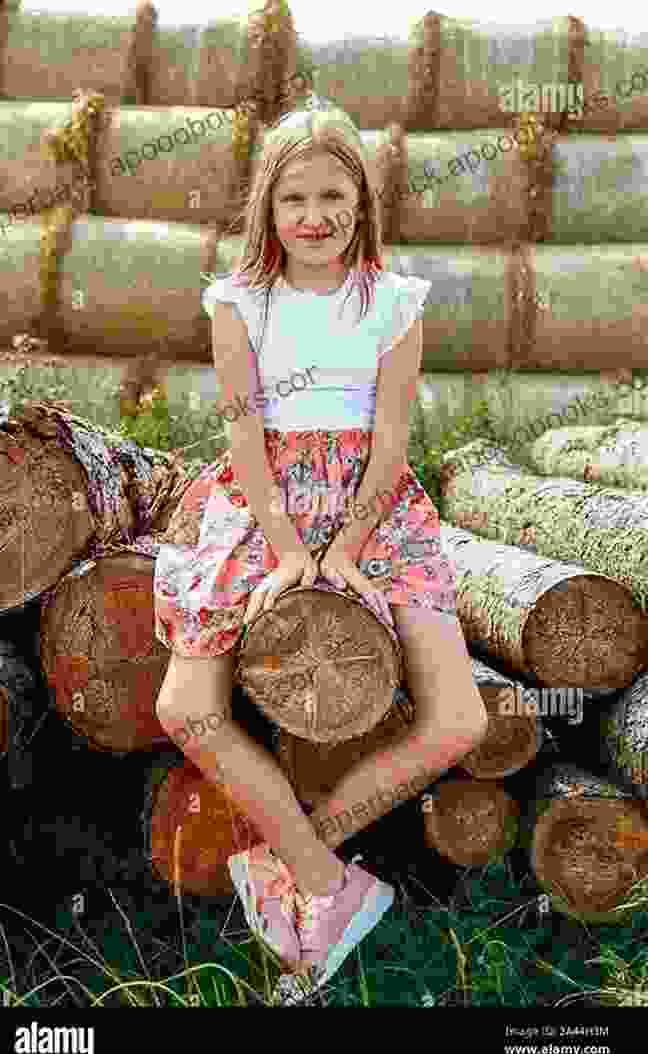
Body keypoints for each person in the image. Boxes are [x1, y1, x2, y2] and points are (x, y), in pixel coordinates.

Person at [153, 101, 488, 1001]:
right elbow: (245, 437)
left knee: (461, 721)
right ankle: (325, 880)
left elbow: (390, 438)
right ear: (266, 206)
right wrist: (287, 548)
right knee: (186, 707)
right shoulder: (240, 303)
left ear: (360, 200)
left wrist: (346, 548)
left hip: (374, 512)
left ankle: (286, 860)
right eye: (294, 197)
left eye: (333, 193)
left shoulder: (392, 302)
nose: (314, 215)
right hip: (265, 505)